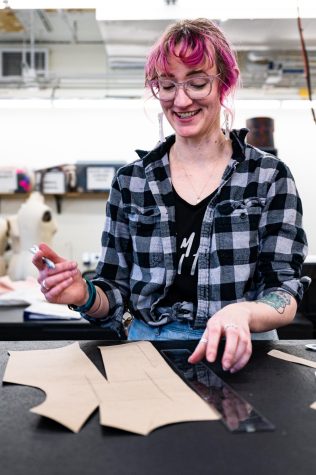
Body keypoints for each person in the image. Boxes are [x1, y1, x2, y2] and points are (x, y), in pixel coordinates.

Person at [32, 18, 308, 373]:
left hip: (243, 354)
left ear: (224, 82)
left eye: (197, 83)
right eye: (167, 85)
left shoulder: (268, 176)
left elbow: (283, 290)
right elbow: (114, 295)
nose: (180, 100)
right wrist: (84, 295)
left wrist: (245, 311)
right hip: (149, 353)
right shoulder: (131, 183)